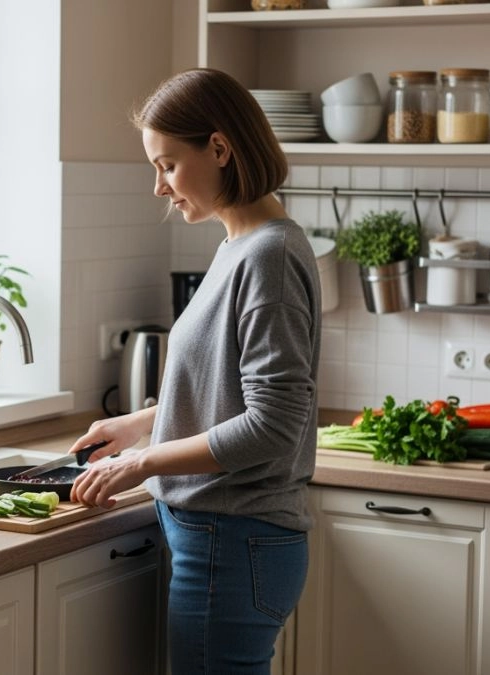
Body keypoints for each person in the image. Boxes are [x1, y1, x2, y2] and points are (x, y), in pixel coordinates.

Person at [69, 68, 322, 674]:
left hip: (235, 541)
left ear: (219, 148)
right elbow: (227, 389)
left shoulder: (268, 255)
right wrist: (140, 425)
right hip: (223, 539)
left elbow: (273, 425)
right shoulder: (239, 245)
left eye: (168, 165)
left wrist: (144, 462)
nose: (159, 188)